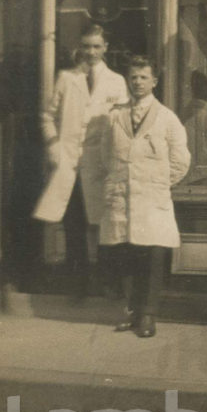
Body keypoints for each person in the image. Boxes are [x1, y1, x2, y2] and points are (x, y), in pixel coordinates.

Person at [33, 25, 129, 300]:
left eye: (97, 46)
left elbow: (122, 121)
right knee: (74, 223)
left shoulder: (116, 81)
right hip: (70, 163)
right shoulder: (66, 78)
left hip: (100, 163)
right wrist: (53, 144)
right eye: (86, 46)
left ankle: (106, 281)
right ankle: (79, 284)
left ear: (106, 48)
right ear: (80, 46)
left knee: (102, 222)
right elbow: (47, 116)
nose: (91, 52)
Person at [99, 56, 190, 337]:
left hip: (152, 200)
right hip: (122, 198)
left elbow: (181, 160)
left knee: (151, 256)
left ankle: (148, 315)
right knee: (125, 254)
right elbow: (105, 155)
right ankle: (130, 311)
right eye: (133, 77)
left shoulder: (166, 118)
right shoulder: (114, 116)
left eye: (143, 77)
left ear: (154, 82)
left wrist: (157, 183)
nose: (138, 82)